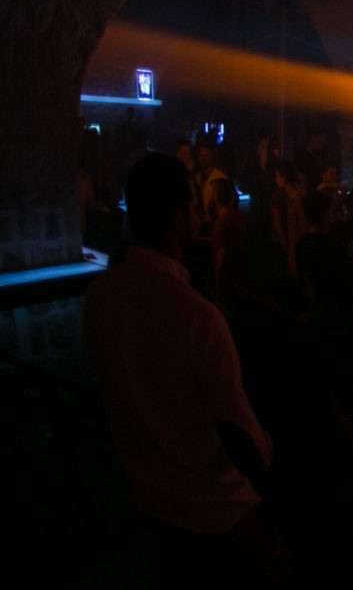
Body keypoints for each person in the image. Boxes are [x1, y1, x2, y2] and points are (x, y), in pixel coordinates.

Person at [83, 154, 274, 555]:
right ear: (177, 216)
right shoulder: (197, 315)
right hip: (214, 511)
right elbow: (240, 432)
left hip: (142, 502)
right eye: (192, 204)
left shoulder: (100, 296)